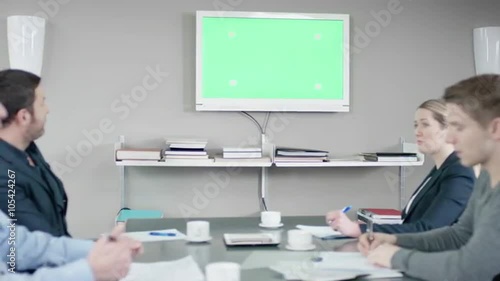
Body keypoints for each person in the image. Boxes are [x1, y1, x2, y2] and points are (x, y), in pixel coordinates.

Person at [358, 74, 500, 281]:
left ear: (495, 128)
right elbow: (458, 234)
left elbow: (469, 268)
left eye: (459, 127)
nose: (450, 138)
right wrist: (393, 239)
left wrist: (397, 257)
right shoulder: (488, 177)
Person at [326, 99, 475, 237]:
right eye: (416, 125)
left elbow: (429, 230)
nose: (417, 131)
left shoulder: (460, 172)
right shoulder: (441, 169)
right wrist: (367, 227)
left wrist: (359, 230)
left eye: (425, 124)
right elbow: (411, 224)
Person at [0, 69, 71, 236]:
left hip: (64, 252)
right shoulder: (4, 176)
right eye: (42, 103)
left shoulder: (29, 149)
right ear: (24, 117)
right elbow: (41, 240)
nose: (47, 110)